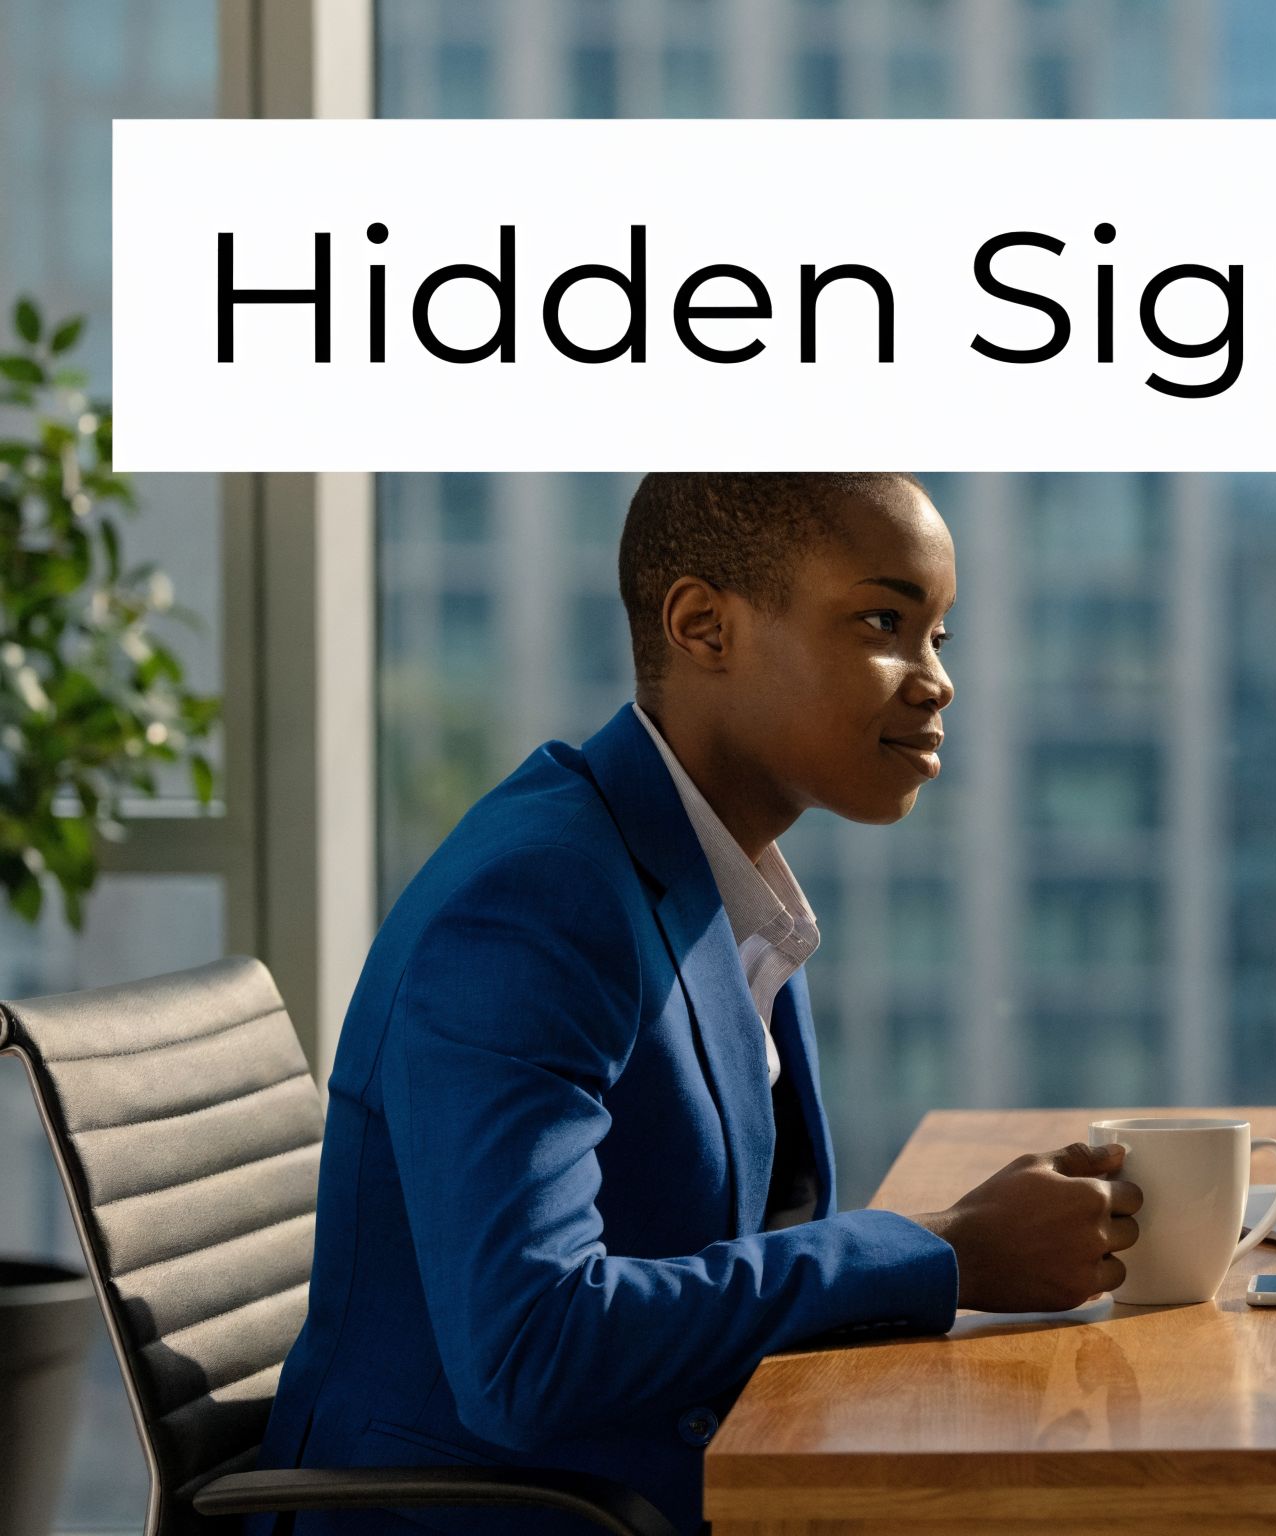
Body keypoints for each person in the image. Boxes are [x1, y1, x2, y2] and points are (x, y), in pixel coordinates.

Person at [259, 473, 1140, 1535]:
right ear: (704, 627)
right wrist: (946, 1250)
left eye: (939, 637)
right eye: (883, 623)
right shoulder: (537, 902)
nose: (937, 681)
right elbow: (529, 1350)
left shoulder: (705, 870)